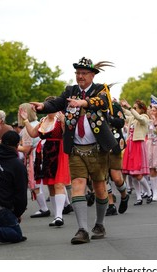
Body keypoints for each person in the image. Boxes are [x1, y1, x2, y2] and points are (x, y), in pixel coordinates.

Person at [29, 57, 119, 245]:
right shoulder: (70, 91)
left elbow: (101, 103)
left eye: (83, 73)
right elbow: (57, 103)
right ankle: (82, 230)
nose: (80, 76)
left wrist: (83, 103)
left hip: (97, 148)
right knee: (77, 183)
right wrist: (43, 107)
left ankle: (100, 224)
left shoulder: (101, 89)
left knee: (99, 187)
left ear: (92, 75)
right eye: (77, 73)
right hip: (76, 147)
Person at [19, 96, 71, 227]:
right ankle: (56, 216)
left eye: (51, 106)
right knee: (51, 186)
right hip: (46, 154)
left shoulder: (61, 119)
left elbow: (67, 136)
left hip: (59, 152)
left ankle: (59, 216)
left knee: (58, 184)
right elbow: (32, 134)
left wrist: (64, 122)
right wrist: (25, 120)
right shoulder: (43, 120)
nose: (49, 109)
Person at [0, 131, 28, 244]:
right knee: (16, 234)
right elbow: (21, 195)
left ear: (1, 141)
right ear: (17, 146)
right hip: (0, 208)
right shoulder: (17, 165)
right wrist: (17, 214)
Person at [18, 103, 49, 218]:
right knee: (54, 183)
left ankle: (44, 208)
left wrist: (10, 146)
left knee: (34, 184)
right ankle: (65, 205)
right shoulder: (38, 123)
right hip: (44, 154)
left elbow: (26, 148)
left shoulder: (27, 129)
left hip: (35, 158)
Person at [120, 99, 152, 206]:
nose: (133, 110)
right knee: (132, 174)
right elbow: (128, 114)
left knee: (137, 174)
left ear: (142, 109)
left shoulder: (145, 118)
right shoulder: (132, 119)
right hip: (130, 145)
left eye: (135, 108)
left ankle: (149, 192)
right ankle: (139, 197)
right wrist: (119, 106)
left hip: (138, 145)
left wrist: (128, 107)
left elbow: (138, 117)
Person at [106, 99, 129, 216]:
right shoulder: (92, 107)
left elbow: (121, 122)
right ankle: (111, 205)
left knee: (116, 178)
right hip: (99, 145)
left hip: (114, 144)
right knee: (102, 177)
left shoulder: (114, 106)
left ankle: (124, 196)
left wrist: (108, 119)